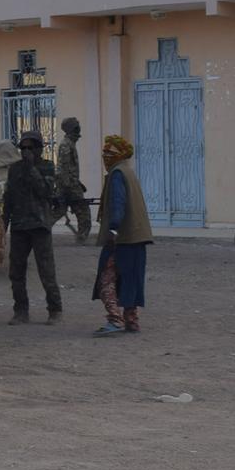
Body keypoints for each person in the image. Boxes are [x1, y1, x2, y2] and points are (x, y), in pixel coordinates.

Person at [92, 135, 153, 336]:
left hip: (122, 237)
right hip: (137, 236)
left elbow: (118, 203)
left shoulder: (117, 174)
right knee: (131, 279)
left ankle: (114, 319)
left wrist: (113, 229)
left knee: (106, 279)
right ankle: (131, 321)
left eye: (108, 154)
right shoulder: (129, 172)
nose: (105, 157)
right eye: (104, 154)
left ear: (117, 156)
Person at [3, 131, 63, 324]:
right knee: (16, 272)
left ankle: (55, 310)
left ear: (39, 149)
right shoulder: (14, 169)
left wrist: (31, 169)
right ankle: (21, 310)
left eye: (30, 147)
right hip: (19, 226)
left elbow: (45, 191)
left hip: (39, 226)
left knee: (46, 271)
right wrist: (3, 225)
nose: (26, 151)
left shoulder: (46, 167)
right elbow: (8, 198)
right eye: (23, 148)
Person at [54, 117, 94, 244]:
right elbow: (63, 168)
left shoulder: (70, 143)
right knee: (83, 213)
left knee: (59, 211)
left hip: (70, 184)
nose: (79, 127)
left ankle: (40, 233)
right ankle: (81, 238)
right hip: (69, 186)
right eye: (76, 126)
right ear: (72, 128)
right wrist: (68, 189)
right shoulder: (66, 145)